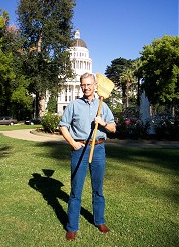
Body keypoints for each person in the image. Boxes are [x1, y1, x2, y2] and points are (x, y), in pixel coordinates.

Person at [59, 72, 116, 241]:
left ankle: (99, 220)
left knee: (98, 189)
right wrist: (73, 143)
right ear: (81, 86)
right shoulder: (74, 105)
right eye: (83, 85)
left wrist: (103, 122)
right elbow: (63, 126)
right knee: (76, 190)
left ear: (95, 85)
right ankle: (72, 227)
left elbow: (113, 128)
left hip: (98, 149)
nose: (86, 87)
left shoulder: (102, 105)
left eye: (89, 84)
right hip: (79, 149)